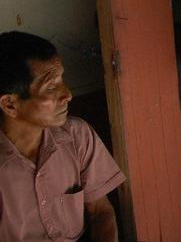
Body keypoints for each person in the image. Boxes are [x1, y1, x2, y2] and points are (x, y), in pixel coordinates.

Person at [0, 31, 126, 242]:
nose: (67, 94)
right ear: (10, 104)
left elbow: (100, 212)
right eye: (51, 87)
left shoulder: (78, 136)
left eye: (62, 80)